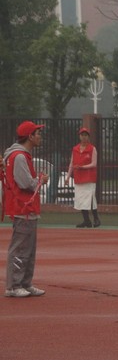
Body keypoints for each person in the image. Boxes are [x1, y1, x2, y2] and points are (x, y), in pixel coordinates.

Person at [3, 121, 49, 298]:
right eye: (37, 133)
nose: (40, 137)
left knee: (28, 249)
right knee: (21, 248)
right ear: (30, 136)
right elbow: (24, 183)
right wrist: (40, 181)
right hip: (23, 207)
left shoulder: (20, 156)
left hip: (27, 208)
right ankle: (14, 286)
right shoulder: (20, 157)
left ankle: (25, 283)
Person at [65, 127, 100, 228]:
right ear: (79, 136)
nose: (84, 137)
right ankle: (86, 220)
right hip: (79, 178)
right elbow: (72, 163)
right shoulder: (75, 149)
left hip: (89, 178)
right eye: (82, 135)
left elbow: (94, 164)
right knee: (80, 199)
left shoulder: (92, 149)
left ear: (88, 137)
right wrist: (67, 177)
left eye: (86, 135)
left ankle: (96, 219)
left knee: (90, 198)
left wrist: (82, 167)